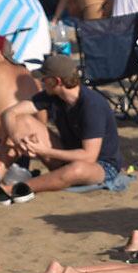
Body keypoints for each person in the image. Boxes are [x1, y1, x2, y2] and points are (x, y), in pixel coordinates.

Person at [16, 52, 123, 193]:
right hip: (69, 156)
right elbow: (11, 113)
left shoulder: (91, 105)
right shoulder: (54, 96)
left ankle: (15, 188)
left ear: (57, 81)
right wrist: (16, 137)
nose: (41, 82)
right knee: (25, 120)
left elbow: (89, 156)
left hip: (101, 165)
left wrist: (44, 151)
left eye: (44, 79)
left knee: (76, 169)